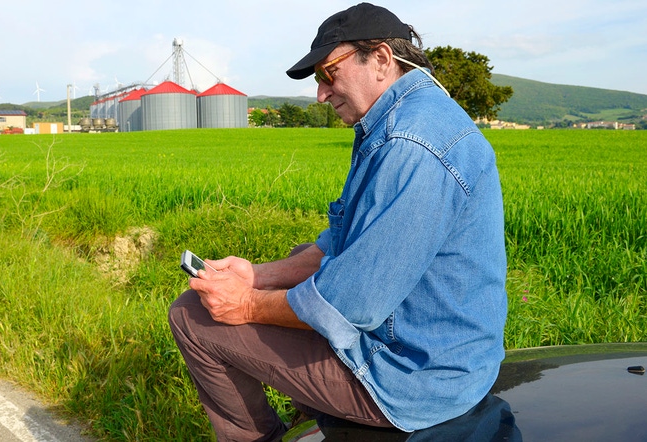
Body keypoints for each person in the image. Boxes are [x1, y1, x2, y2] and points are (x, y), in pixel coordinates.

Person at [168, 3, 507, 440]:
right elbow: (343, 242)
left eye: (329, 74)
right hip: (442, 354)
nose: (321, 94)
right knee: (296, 263)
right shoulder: (407, 118)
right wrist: (257, 276)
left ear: (382, 60)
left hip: (415, 378)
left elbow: (350, 304)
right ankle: (319, 416)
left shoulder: (411, 145)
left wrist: (246, 303)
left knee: (192, 315)